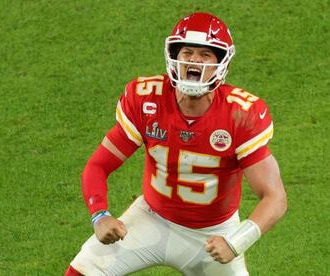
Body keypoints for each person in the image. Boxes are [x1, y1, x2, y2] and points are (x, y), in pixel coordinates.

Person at [65, 12, 287, 276]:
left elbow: (276, 198)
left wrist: (237, 241)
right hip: (151, 218)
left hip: (213, 235)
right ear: (175, 56)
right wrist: (99, 215)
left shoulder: (240, 114)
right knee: (84, 268)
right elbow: (98, 166)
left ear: (221, 63)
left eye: (205, 54)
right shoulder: (147, 100)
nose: (195, 60)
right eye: (188, 52)